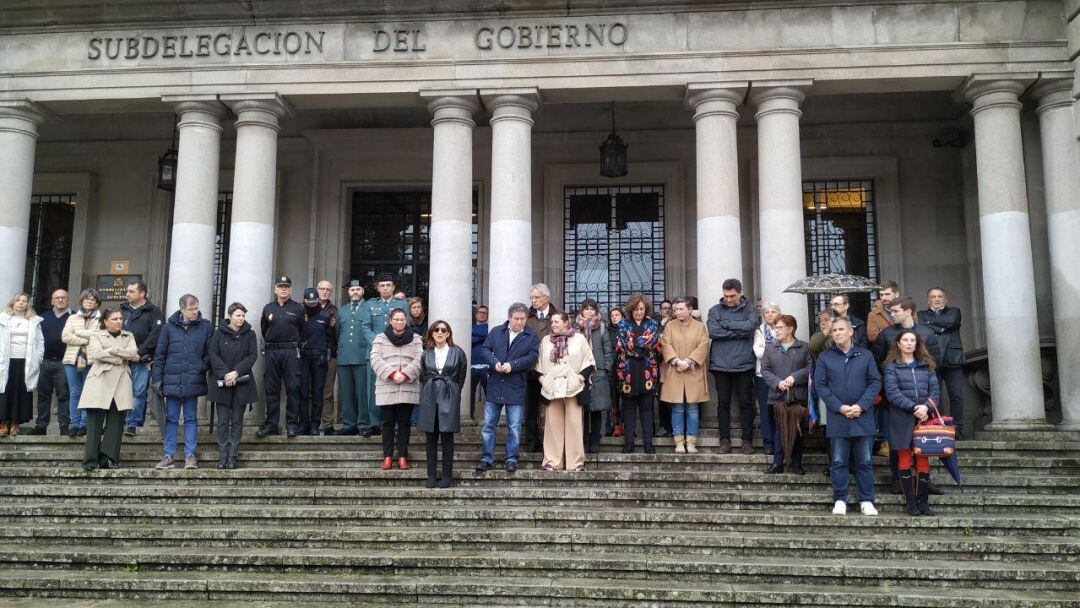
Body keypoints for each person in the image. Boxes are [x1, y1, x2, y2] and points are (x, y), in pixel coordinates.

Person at [814, 317, 881, 516]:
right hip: (838, 417)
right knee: (838, 461)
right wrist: (839, 407)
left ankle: (867, 500)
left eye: (841, 329)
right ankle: (840, 499)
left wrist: (861, 405)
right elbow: (821, 385)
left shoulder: (866, 355)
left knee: (865, 461)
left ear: (851, 331)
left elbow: (875, 382)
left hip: (863, 416)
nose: (837, 333)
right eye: (834, 330)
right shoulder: (825, 357)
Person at [883, 329, 941, 517]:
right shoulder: (891, 366)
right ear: (898, 344)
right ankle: (911, 504)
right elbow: (892, 393)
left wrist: (926, 408)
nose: (909, 343)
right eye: (905, 340)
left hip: (925, 418)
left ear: (917, 344)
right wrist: (915, 408)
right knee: (905, 459)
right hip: (902, 419)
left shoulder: (927, 365)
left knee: (923, 460)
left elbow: (935, 392)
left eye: (912, 340)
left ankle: (924, 503)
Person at [476, 302, 539, 473]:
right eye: (516, 318)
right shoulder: (496, 331)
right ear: (509, 317)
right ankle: (486, 459)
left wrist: (513, 365)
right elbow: (485, 349)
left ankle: (511, 459)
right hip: (496, 383)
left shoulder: (531, 336)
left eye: (523, 319)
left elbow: (533, 357)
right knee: (489, 425)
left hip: (516, 385)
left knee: (514, 426)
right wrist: (494, 363)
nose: (520, 322)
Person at [152, 294, 213, 470]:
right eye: (191, 309)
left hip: (193, 378)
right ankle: (168, 456)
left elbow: (210, 352)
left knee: (191, 418)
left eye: (196, 308)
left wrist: (201, 367)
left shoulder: (206, 327)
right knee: (171, 419)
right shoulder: (168, 328)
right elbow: (160, 355)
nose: (195, 312)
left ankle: (190, 456)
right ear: (182, 309)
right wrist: (157, 380)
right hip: (171, 379)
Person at [79, 308, 139, 471]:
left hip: (121, 382)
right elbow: (96, 354)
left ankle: (109, 459)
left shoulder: (128, 336)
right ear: (105, 322)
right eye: (114, 319)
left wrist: (113, 350)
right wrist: (121, 357)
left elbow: (133, 352)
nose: (119, 321)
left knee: (116, 422)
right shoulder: (96, 335)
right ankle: (90, 459)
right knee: (94, 423)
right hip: (99, 381)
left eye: (120, 318)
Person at [535, 312, 595, 471]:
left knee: (574, 425)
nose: (553, 324)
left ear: (566, 322)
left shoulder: (580, 339)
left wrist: (580, 378)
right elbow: (539, 363)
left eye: (556, 321)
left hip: (573, 388)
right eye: (552, 322)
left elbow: (588, 361)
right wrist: (543, 381)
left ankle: (575, 463)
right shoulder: (546, 340)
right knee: (552, 426)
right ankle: (552, 462)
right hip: (552, 388)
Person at [706, 278, 759, 454]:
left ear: (740, 293)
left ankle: (747, 441)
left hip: (744, 363)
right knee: (723, 404)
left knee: (746, 403)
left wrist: (727, 324)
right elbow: (714, 332)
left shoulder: (750, 309)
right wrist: (739, 331)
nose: (728, 299)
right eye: (726, 296)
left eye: (732, 296)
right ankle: (724, 440)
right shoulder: (714, 310)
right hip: (720, 364)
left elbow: (751, 327)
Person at [207, 302, 259, 470]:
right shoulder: (219, 333)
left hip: (241, 381)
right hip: (223, 383)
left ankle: (233, 456)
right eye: (238, 315)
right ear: (230, 316)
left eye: (243, 315)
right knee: (222, 421)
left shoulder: (250, 334)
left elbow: (252, 356)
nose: (241, 319)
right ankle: (222, 456)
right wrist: (225, 374)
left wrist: (236, 372)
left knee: (237, 421)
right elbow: (213, 354)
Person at [369, 308, 422, 470]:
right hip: (387, 386)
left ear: (406, 321)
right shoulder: (380, 338)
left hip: (407, 386)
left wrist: (405, 374)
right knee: (387, 423)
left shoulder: (416, 339)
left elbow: (420, 358)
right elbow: (375, 359)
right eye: (396, 319)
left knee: (404, 423)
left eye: (402, 319)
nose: (399, 322)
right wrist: (392, 374)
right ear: (390, 321)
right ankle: (387, 456)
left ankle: (402, 457)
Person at [760, 314, 813, 475]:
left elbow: (811, 368)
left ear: (791, 329)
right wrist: (778, 383)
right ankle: (778, 463)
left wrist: (794, 378)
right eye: (776, 328)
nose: (777, 331)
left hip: (797, 397)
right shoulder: (770, 348)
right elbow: (765, 370)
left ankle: (797, 463)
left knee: (797, 431)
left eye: (780, 327)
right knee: (778, 431)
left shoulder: (804, 347)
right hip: (777, 397)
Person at [418, 320, 467, 488]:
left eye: (443, 330)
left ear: (448, 334)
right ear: (432, 333)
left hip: (449, 395)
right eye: (436, 330)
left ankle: (447, 475)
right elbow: (423, 375)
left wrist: (453, 392)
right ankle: (431, 475)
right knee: (430, 438)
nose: (439, 332)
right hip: (430, 395)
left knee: (447, 438)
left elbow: (461, 377)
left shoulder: (457, 352)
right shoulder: (426, 353)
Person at [659, 297, 709, 455]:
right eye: (675, 309)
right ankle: (679, 442)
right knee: (677, 408)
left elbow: (703, 345)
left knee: (693, 408)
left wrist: (688, 361)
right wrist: (675, 361)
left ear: (690, 309)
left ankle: (692, 441)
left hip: (693, 371)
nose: (677, 312)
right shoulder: (669, 326)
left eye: (681, 309)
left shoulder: (700, 327)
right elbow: (665, 344)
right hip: (675, 371)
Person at [360, 274, 407, 438]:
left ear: (393, 287)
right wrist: (379, 343)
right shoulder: (369, 305)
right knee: (373, 389)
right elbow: (365, 327)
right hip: (375, 353)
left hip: (396, 352)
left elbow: (405, 325)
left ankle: (392, 424)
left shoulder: (401, 304)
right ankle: (373, 424)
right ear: (378, 288)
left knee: (394, 389)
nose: (385, 288)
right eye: (382, 285)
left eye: (388, 285)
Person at [257, 276, 305, 438]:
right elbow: (264, 330)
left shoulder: (298, 308)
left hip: (291, 351)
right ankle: (271, 424)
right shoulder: (268, 308)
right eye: (280, 286)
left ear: (290, 290)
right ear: (275, 289)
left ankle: (292, 424)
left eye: (286, 287)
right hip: (272, 351)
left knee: (293, 387)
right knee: (271, 388)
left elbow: (303, 330)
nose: (283, 289)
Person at [615, 293, 661, 454]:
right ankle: (629, 444)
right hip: (627, 372)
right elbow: (622, 344)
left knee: (647, 409)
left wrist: (633, 344)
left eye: (641, 309)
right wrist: (640, 344)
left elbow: (653, 341)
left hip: (647, 371)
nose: (638, 312)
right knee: (628, 409)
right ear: (630, 309)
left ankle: (648, 444)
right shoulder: (622, 324)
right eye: (635, 309)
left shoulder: (653, 323)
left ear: (645, 309)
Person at [919, 287, 966, 440]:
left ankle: (957, 429)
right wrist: (943, 327)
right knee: (935, 396)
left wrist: (934, 325)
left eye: (940, 296)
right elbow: (925, 327)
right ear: (928, 300)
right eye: (933, 296)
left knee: (956, 395)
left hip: (954, 359)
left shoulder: (954, 311)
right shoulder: (921, 314)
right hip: (933, 360)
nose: (937, 299)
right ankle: (940, 427)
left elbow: (951, 322)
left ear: (946, 300)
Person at [121, 281, 164, 437]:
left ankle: (133, 423)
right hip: (122, 359)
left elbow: (156, 335)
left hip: (142, 360)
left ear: (142, 293)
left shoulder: (154, 312)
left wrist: (139, 352)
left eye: (131, 291)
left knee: (138, 392)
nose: (127, 294)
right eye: (127, 291)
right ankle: (119, 422)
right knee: (120, 392)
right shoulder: (122, 309)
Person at [0, 293, 44, 437]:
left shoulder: (33, 321)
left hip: (26, 362)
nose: (21, 303)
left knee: (20, 391)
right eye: (18, 300)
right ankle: (3, 423)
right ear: (13, 302)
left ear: (28, 304)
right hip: (6, 361)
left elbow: (40, 342)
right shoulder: (3, 319)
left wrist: (37, 359)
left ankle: (15, 424)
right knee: (5, 390)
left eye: (24, 301)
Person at [335, 280, 374, 436]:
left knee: (362, 392)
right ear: (348, 292)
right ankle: (348, 424)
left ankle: (363, 424)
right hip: (344, 357)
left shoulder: (369, 308)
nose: (355, 292)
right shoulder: (342, 311)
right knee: (346, 392)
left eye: (358, 289)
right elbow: (337, 332)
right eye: (352, 290)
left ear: (363, 291)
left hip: (362, 356)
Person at [524, 283, 560, 452]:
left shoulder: (558, 315)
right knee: (530, 407)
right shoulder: (526, 317)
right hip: (531, 370)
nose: (533, 300)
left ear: (546, 298)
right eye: (532, 297)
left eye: (536, 297)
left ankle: (549, 442)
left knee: (550, 407)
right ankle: (532, 441)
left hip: (552, 370)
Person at [62, 289, 103, 437]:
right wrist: (85, 339)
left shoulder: (101, 319)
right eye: (87, 299)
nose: (89, 302)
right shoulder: (72, 318)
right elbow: (65, 336)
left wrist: (78, 333)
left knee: (88, 392)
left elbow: (99, 337)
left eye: (92, 300)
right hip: (71, 360)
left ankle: (84, 424)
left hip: (92, 360)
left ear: (97, 303)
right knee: (74, 392)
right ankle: (74, 424)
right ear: (81, 302)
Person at [32, 290, 71, 435]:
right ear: (52, 301)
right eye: (57, 298)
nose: (60, 300)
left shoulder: (74, 317)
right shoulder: (42, 318)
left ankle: (64, 425)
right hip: (44, 362)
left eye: (63, 298)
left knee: (64, 394)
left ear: (68, 300)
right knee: (43, 395)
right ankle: (41, 425)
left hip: (64, 362)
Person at [576, 300, 613, 454]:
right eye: (586, 309)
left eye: (592, 309)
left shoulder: (602, 327)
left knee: (597, 409)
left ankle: (595, 442)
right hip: (579, 374)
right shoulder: (575, 328)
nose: (589, 312)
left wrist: (605, 368)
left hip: (598, 373)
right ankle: (583, 442)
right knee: (582, 409)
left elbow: (608, 350)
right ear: (582, 311)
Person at [299, 287, 333, 436]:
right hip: (303, 357)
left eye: (314, 301)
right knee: (303, 391)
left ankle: (315, 424)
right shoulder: (299, 314)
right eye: (309, 301)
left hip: (319, 357)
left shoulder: (326, 315)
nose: (312, 304)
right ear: (304, 301)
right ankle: (304, 423)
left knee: (318, 392)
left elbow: (330, 336)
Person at [753, 302, 782, 456]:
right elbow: (758, 352)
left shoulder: (784, 328)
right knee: (765, 410)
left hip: (781, 376)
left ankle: (780, 441)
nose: (770, 314)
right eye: (767, 312)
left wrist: (768, 349)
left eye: (773, 311)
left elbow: (787, 348)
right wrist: (776, 352)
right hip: (762, 375)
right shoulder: (759, 330)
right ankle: (768, 442)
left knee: (780, 410)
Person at [315, 280, 339, 435]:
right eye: (321, 289)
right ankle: (310, 423)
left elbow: (338, 334)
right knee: (309, 390)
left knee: (327, 392)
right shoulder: (306, 307)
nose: (324, 292)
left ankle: (328, 424)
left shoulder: (336, 311)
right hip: (309, 355)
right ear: (317, 290)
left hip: (330, 354)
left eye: (327, 289)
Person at [607, 306, 624, 437]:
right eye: (612, 316)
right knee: (613, 400)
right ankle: (614, 427)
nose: (614, 317)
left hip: (625, 370)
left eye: (617, 315)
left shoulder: (627, 330)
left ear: (622, 316)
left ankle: (626, 427)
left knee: (625, 400)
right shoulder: (607, 331)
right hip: (612, 370)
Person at [470, 305, 490, 415]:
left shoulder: (490, 327)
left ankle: (489, 418)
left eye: (485, 313)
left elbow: (489, 337)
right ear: (476, 314)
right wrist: (481, 337)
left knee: (490, 394)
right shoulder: (470, 327)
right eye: (480, 312)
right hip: (472, 366)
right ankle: (470, 416)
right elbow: (469, 340)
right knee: (470, 395)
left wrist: (476, 336)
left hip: (486, 366)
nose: (482, 314)